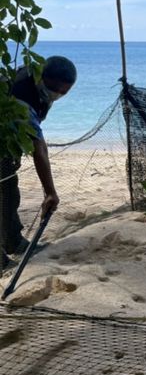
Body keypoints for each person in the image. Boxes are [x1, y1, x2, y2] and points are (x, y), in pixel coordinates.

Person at [1, 56, 77, 268]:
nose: (57, 95)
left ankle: (12, 242)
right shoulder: (20, 98)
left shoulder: (36, 75)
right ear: (41, 78)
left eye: (64, 92)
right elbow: (39, 147)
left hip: (7, 141)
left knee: (7, 191)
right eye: (54, 89)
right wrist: (50, 191)